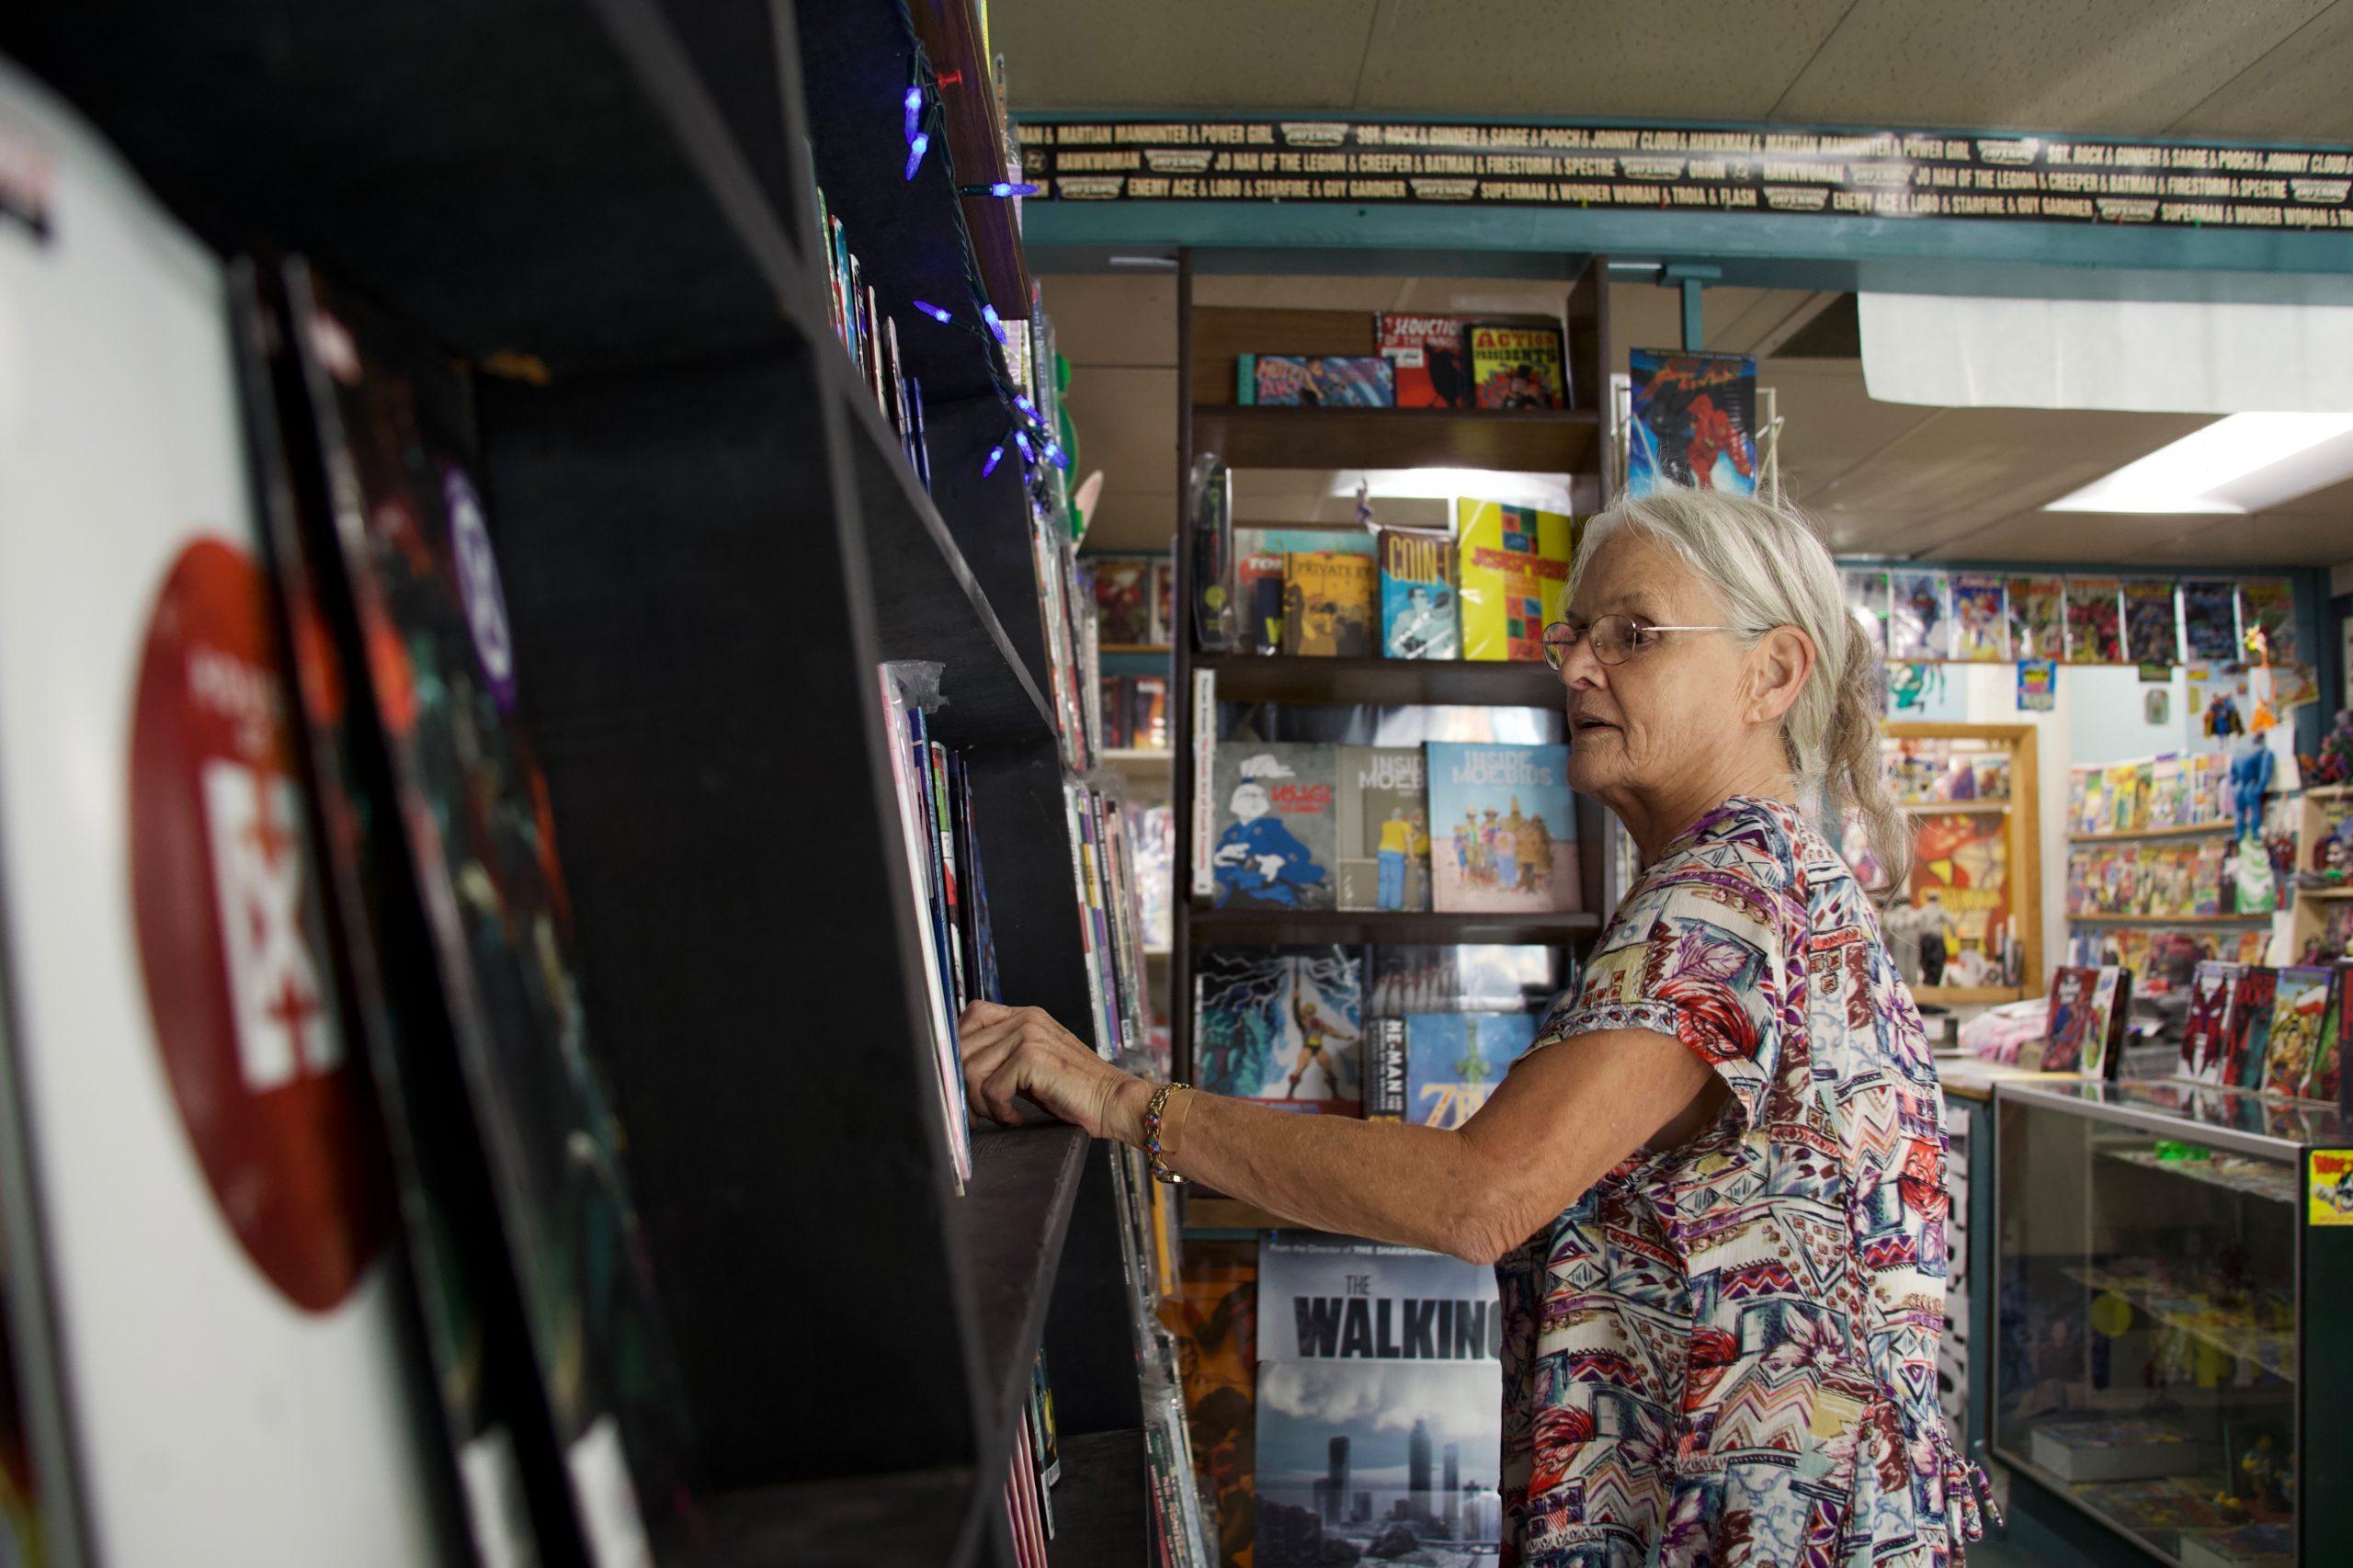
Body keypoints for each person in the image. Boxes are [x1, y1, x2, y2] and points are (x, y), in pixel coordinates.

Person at [958, 489, 1988, 1566]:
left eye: (1632, 634)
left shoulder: (1728, 888)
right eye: (1575, 634)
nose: (1579, 666)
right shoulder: (1776, 875)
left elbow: (1478, 1194)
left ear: (1771, 674)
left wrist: (1129, 1099)